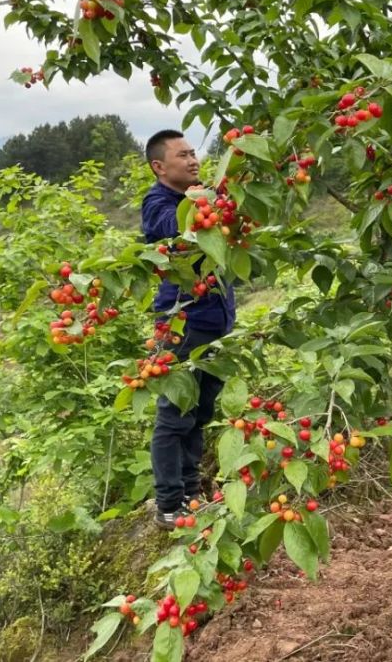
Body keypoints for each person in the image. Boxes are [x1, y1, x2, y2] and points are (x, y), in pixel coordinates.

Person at [142, 130, 236, 529]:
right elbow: (173, 228)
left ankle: (190, 493)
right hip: (183, 322)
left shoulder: (198, 198)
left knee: (199, 411)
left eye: (194, 152)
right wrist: (204, 199)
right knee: (174, 414)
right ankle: (168, 504)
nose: (193, 159)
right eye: (183, 155)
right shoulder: (160, 202)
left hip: (215, 322)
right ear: (159, 166)